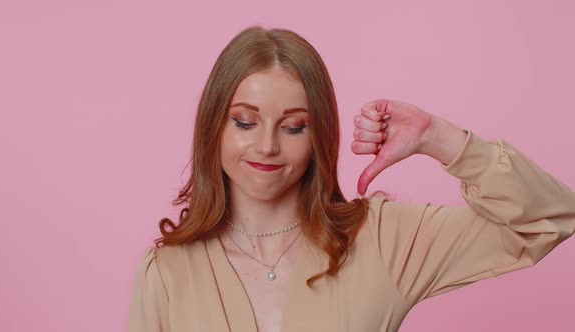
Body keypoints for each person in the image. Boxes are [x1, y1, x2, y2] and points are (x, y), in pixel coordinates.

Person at [127, 25, 575, 332]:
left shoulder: (384, 238)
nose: (266, 146)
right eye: (244, 122)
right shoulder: (167, 272)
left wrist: (439, 138)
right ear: (214, 127)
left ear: (320, 133)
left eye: (293, 126)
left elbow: (548, 219)